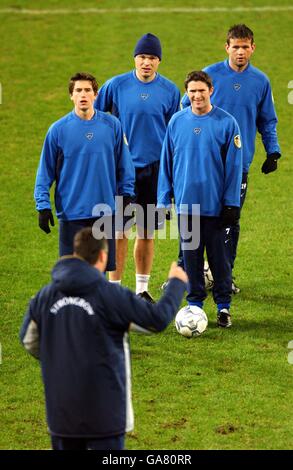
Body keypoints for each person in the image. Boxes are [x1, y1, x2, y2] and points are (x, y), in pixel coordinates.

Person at [20, 227, 187, 450]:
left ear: (75, 253)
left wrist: (60, 355)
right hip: (105, 416)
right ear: (102, 256)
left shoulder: (45, 296)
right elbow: (155, 319)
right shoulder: (111, 296)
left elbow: (28, 341)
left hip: (62, 414)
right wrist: (176, 284)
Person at [181, 24, 281, 293]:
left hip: (237, 167)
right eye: (235, 46)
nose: (240, 52)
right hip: (203, 164)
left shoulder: (260, 81)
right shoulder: (210, 75)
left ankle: (224, 278)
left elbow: (267, 120)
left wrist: (273, 151)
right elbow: (185, 106)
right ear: (226, 47)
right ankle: (187, 274)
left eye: (245, 46)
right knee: (192, 219)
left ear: (252, 48)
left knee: (229, 221)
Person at [95, 33, 181, 300]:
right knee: (119, 232)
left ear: (159, 62)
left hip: (154, 171)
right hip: (122, 171)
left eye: (152, 58)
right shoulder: (116, 85)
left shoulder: (170, 90)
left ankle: (142, 289)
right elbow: (95, 116)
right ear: (135, 58)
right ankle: (114, 290)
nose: (147, 62)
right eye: (143, 57)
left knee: (146, 233)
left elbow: (174, 133)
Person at [158, 71, 243, 328]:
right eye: (192, 91)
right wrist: (163, 201)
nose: (196, 95)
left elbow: (234, 166)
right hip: (187, 206)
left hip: (216, 207)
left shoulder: (227, 123)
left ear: (211, 91)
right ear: (187, 93)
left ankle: (223, 307)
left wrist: (231, 202)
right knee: (191, 259)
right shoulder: (176, 122)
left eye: (201, 90)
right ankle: (195, 304)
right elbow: (166, 164)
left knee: (220, 260)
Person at [34, 72, 135, 272]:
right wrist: (42, 205)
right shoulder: (58, 130)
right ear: (71, 95)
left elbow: (125, 165)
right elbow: (44, 172)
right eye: (78, 90)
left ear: (95, 95)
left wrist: (126, 196)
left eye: (87, 90)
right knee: (71, 272)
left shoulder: (112, 126)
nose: (83, 94)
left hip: (104, 211)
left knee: (100, 273)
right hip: (72, 213)